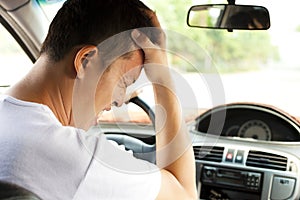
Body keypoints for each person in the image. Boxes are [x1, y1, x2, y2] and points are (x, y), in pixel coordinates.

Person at [0, 0, 197, 199]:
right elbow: (185, 194)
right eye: (124, 81)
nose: (120, 101)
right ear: (85, 61)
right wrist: (162, 77)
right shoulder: (77, 159)